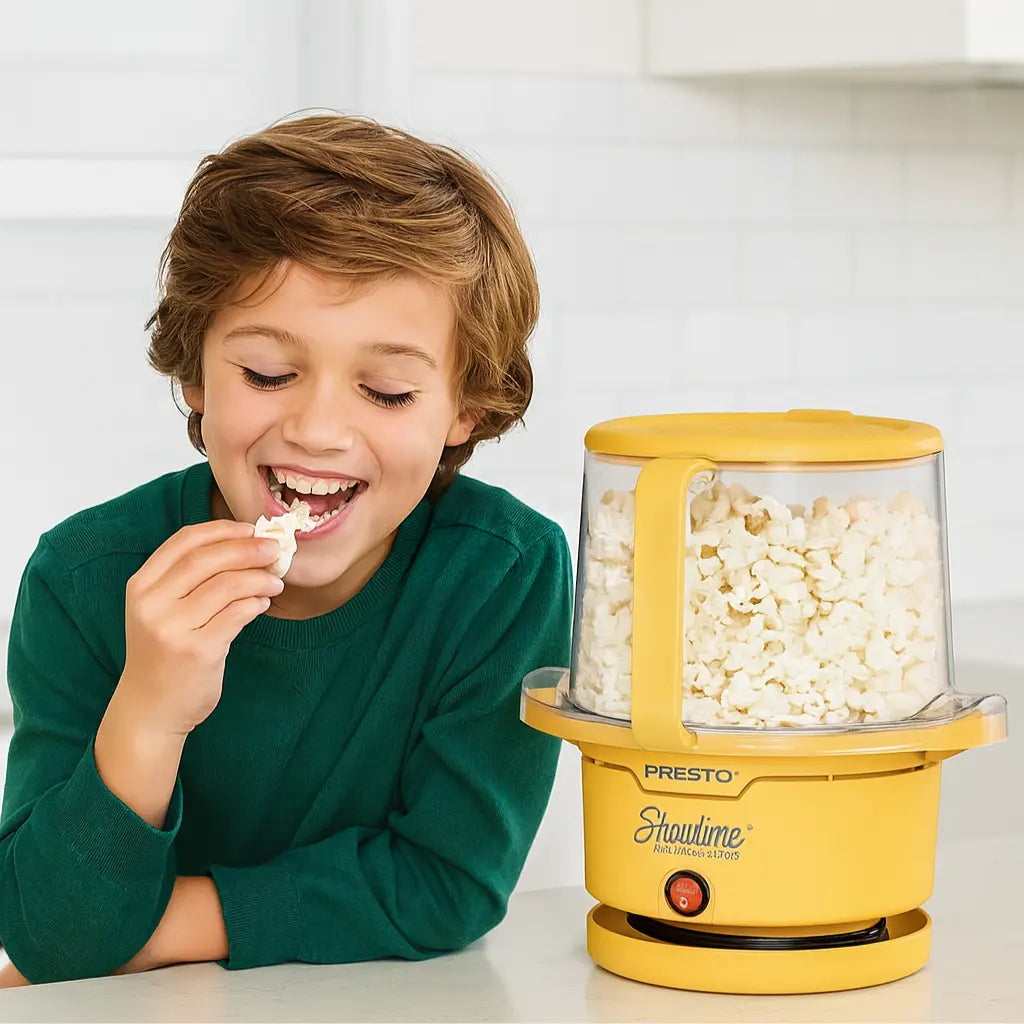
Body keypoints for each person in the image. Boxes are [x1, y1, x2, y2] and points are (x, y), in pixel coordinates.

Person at [0, 114, 572, 985]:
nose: (317, 430)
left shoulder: (502, 574)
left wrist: (152, 932)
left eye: (386, 391)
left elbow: (446, 885)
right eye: (268, 374)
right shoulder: (85, 578)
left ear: (465, 409)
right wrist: (151, 707)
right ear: (194, 372)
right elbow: (45, 928)